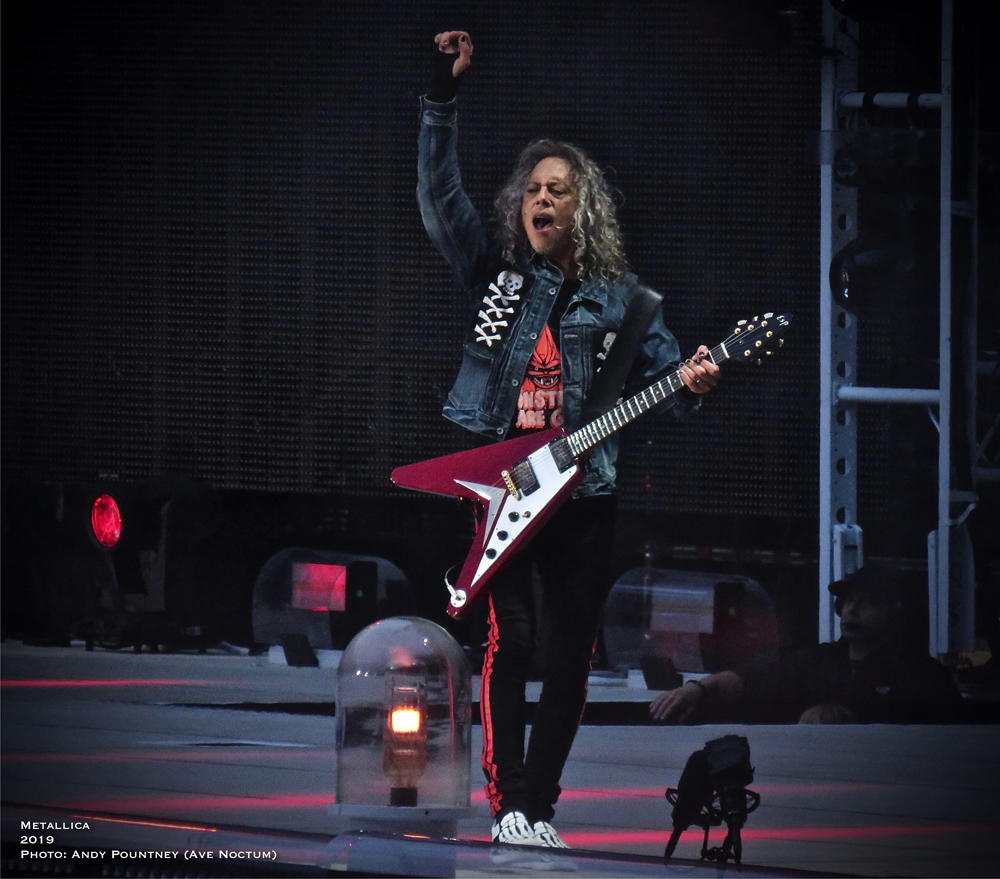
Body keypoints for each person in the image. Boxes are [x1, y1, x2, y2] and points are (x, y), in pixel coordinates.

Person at [417, 31, 720, 847]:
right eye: (533, 190)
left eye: (558, 190)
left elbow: (671, 389)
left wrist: (695, 382)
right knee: (510, 638)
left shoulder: (626, 302)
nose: (542, 200)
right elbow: (440, 197)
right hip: (503, 483)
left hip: (585, 492)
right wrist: (442, 96)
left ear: (584, 209)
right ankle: (507, 802)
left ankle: (539, 806)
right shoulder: (499, 277)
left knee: (568, 651)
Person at [649, 564, 966, 725]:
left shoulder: (922, 676)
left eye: (868, 602)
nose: (852, 609)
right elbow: (754, 680)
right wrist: (697, 690)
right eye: (849, 600)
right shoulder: (819, 662)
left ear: (893, 613)